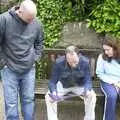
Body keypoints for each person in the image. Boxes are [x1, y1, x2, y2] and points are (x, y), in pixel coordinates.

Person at [0, 0, 44, 119]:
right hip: (9, 69)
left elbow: (39, 43)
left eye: (33, 18)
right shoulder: (4, 20)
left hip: (29, 69)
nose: (32, 21)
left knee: (28, 100)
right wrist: (3, 63)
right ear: (20, 12)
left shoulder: (36, 22)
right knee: (11, 103)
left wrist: (35, 59)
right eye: (29, 19)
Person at [45, 45, 96, 120]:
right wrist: (54, 93)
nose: (72, 64)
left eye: (75, 62)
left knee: (91, 95)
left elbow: (88, 80)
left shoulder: (85, 62)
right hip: (63, 85)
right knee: (48, 97)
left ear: (79, 55)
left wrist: (87, 90)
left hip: (79, 85)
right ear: (66, 57)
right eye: (69, 62)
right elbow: (52, 82)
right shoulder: (59, 63)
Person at [96, 38, 120, 120]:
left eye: (108, 50)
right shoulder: (102, 57)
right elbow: (100, 73)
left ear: (115, 48)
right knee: (112, 96)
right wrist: (114, 83)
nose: (106, 52)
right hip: (107, 81)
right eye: (104, 50)